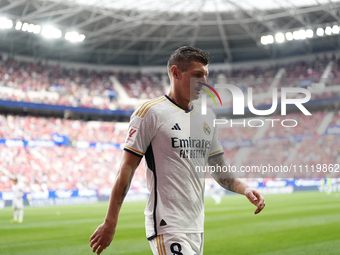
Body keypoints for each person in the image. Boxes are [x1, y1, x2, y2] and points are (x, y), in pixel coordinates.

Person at [90, 46, 265, 255]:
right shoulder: (150, 112)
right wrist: (110, 222)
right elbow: (126, 169)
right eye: (197, 75)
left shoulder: (207, 117)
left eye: (205, 75)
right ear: (175, 72)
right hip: (167, 226)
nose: (204, 82)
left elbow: (219, 171)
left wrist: (245, 189)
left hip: (196, 227)